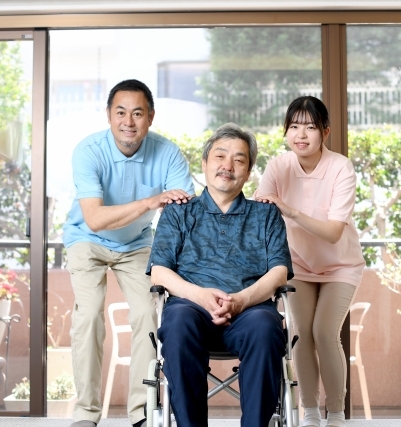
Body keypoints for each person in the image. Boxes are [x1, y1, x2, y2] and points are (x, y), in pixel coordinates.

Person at [62, 79, 196, 427]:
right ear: (108, 115)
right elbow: (94, 218)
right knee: (88, 315)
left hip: (136, 243)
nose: (129, 121)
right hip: (87, 239)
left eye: (138, 113)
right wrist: (151, 202)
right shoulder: (88, 151)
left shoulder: (167, 153)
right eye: (121, 112)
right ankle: (86, 413)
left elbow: (187, 212)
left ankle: (141, 412)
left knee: (147, 315)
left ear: (150, 117)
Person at [146, 123, 294, 427]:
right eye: (220, 156)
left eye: (239, 160)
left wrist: (240, 301)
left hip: (250, 311)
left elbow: (279, 271)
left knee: (266, 327)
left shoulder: (265, 214)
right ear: (204, 163)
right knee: (177, 322)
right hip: (190, 308)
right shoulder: (178, 211)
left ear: (248, 172)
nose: (228, 166)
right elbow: (159, 271)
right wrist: (200, 296)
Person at [255, 96, 365, 427]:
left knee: (324, 331)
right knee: (301, 333)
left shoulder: (340, 167)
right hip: (298, 265)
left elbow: (333, 232)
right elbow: (259, 213)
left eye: (310, 127)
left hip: (340, 265)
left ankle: (336, 413)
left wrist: (290, 211)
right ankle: (311, 412)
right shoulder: (278, 166)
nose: (300, 134)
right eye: (294, 126)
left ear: (325, 132)